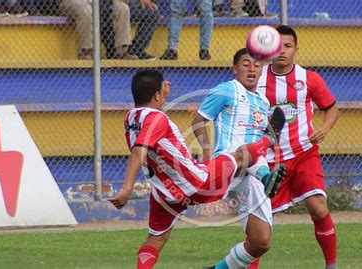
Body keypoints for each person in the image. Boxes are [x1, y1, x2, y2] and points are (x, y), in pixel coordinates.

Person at [109, 69, 285, 269]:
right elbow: (140, 149)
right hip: (194, 182)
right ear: (156, 95)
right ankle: (268, 139)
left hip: (163, 192)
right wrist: (127, 188)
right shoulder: (157, 119)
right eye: (162, 90)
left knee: (156, 239)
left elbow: (143, 142)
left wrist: (162, 93)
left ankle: (265, 176)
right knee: (240, 154)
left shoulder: (130, 119)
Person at [254, 25, 340, 269]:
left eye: (288, 46)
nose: (282, 51)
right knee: (260, 224)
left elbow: (332, 108)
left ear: (296, 50)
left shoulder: (309, 78)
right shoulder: (256, 78)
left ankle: (331, 265)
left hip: (304, 153)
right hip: (269, 160)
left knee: (318, 207)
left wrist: (325, 127)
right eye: (277, 46)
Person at [192, 48, 286, 268]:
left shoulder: (263, 102)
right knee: (250, 151)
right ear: (235, 69)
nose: (252, 68)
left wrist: (271, 137)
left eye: (256, 64)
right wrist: (207, 151)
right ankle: (267, 178)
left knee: (260, 242)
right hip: (230, 161)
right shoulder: (226, 90)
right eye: (245, 64)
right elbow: (198, 120)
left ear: (262, 69)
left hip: (254, 169)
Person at [60, 0, 136, 59]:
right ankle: (85, 51)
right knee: (86, 10)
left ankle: (121, 51)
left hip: (97, 3)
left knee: (123, 8)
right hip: (72, 2)